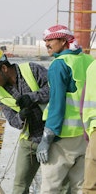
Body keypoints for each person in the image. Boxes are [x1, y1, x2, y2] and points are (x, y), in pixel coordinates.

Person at [0, 44, 49, 193]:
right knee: (19, 187)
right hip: (29, 141)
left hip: (51, 137)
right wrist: (21, 116)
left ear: (3, 68)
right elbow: (13, 121)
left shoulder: (32, 70)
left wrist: (32, 97)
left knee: (55, 186)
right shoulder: (0, 95)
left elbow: (55, 89)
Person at [36, 24, 95, 193]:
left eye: (49, 40)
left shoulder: (59, 65)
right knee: (80, 187)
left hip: (62, 138)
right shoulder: (89, 61)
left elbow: (56, 104)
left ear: (63, 41)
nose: (46, 44)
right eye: (45, 40)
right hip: (85, 136)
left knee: (50, 187)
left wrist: (46, 138)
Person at [81, 59, 96, 193]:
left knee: (90, 187)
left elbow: (83, 106)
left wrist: (87, 133)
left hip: (93, 129)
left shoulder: (92, 67)